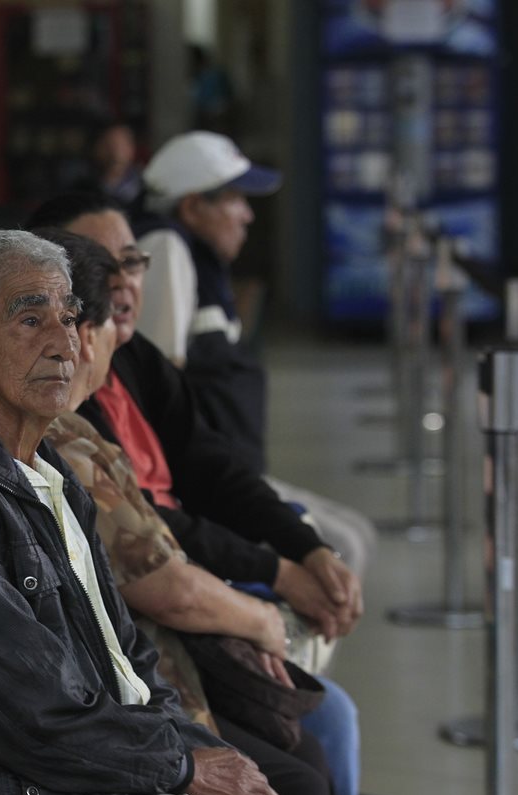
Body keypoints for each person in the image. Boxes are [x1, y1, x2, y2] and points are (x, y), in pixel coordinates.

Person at [0, 229, 281, 795]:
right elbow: (28, 713)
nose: (64, 344)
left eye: (69, 317)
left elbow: (126, 652)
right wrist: (183, 767)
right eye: (30, 321)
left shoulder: (43, 465)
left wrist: (188, 747)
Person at [40, 228, 359, 795]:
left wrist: (292, 556)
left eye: (136, 264)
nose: (130, 304)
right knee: (301, 770)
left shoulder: (102, 401)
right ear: (86, 334)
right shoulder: (62, 440)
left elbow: (211, 469)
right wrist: (266, 620)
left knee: (311, 740)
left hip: (151, 667)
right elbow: (163, 586)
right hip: (125, 691)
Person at [26, 192, 363, 649]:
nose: (121, 283)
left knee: (337, 551)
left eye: (132, 262)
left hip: (188, 559)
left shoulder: (134, 356)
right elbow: (148, 541)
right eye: (99, 267)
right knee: (324, 701)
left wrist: (303, 546)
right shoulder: (57, 403)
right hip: (163, 582)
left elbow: (209, 463)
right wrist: (274, 576)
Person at [139, 131, 377, 578]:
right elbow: (157, 385)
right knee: (343, 547)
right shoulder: (168, 249)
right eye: (234, 199)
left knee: (354, 537)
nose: (247, 216)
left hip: (232, 473)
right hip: (203, 485)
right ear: (192, 207)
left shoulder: (200, 259)